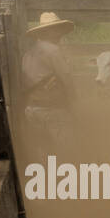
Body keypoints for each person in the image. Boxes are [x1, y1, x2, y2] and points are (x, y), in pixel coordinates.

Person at [21, 11, 77, 159]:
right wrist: (74, 101)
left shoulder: (29, 53)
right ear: (49, 32)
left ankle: (45, 179)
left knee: (42, 150)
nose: (60, 33)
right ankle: (64, 179)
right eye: (56, 29)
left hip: (31, 109)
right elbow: (66, 78)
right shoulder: (54, 51)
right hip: (52, 109)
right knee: (65, 150)